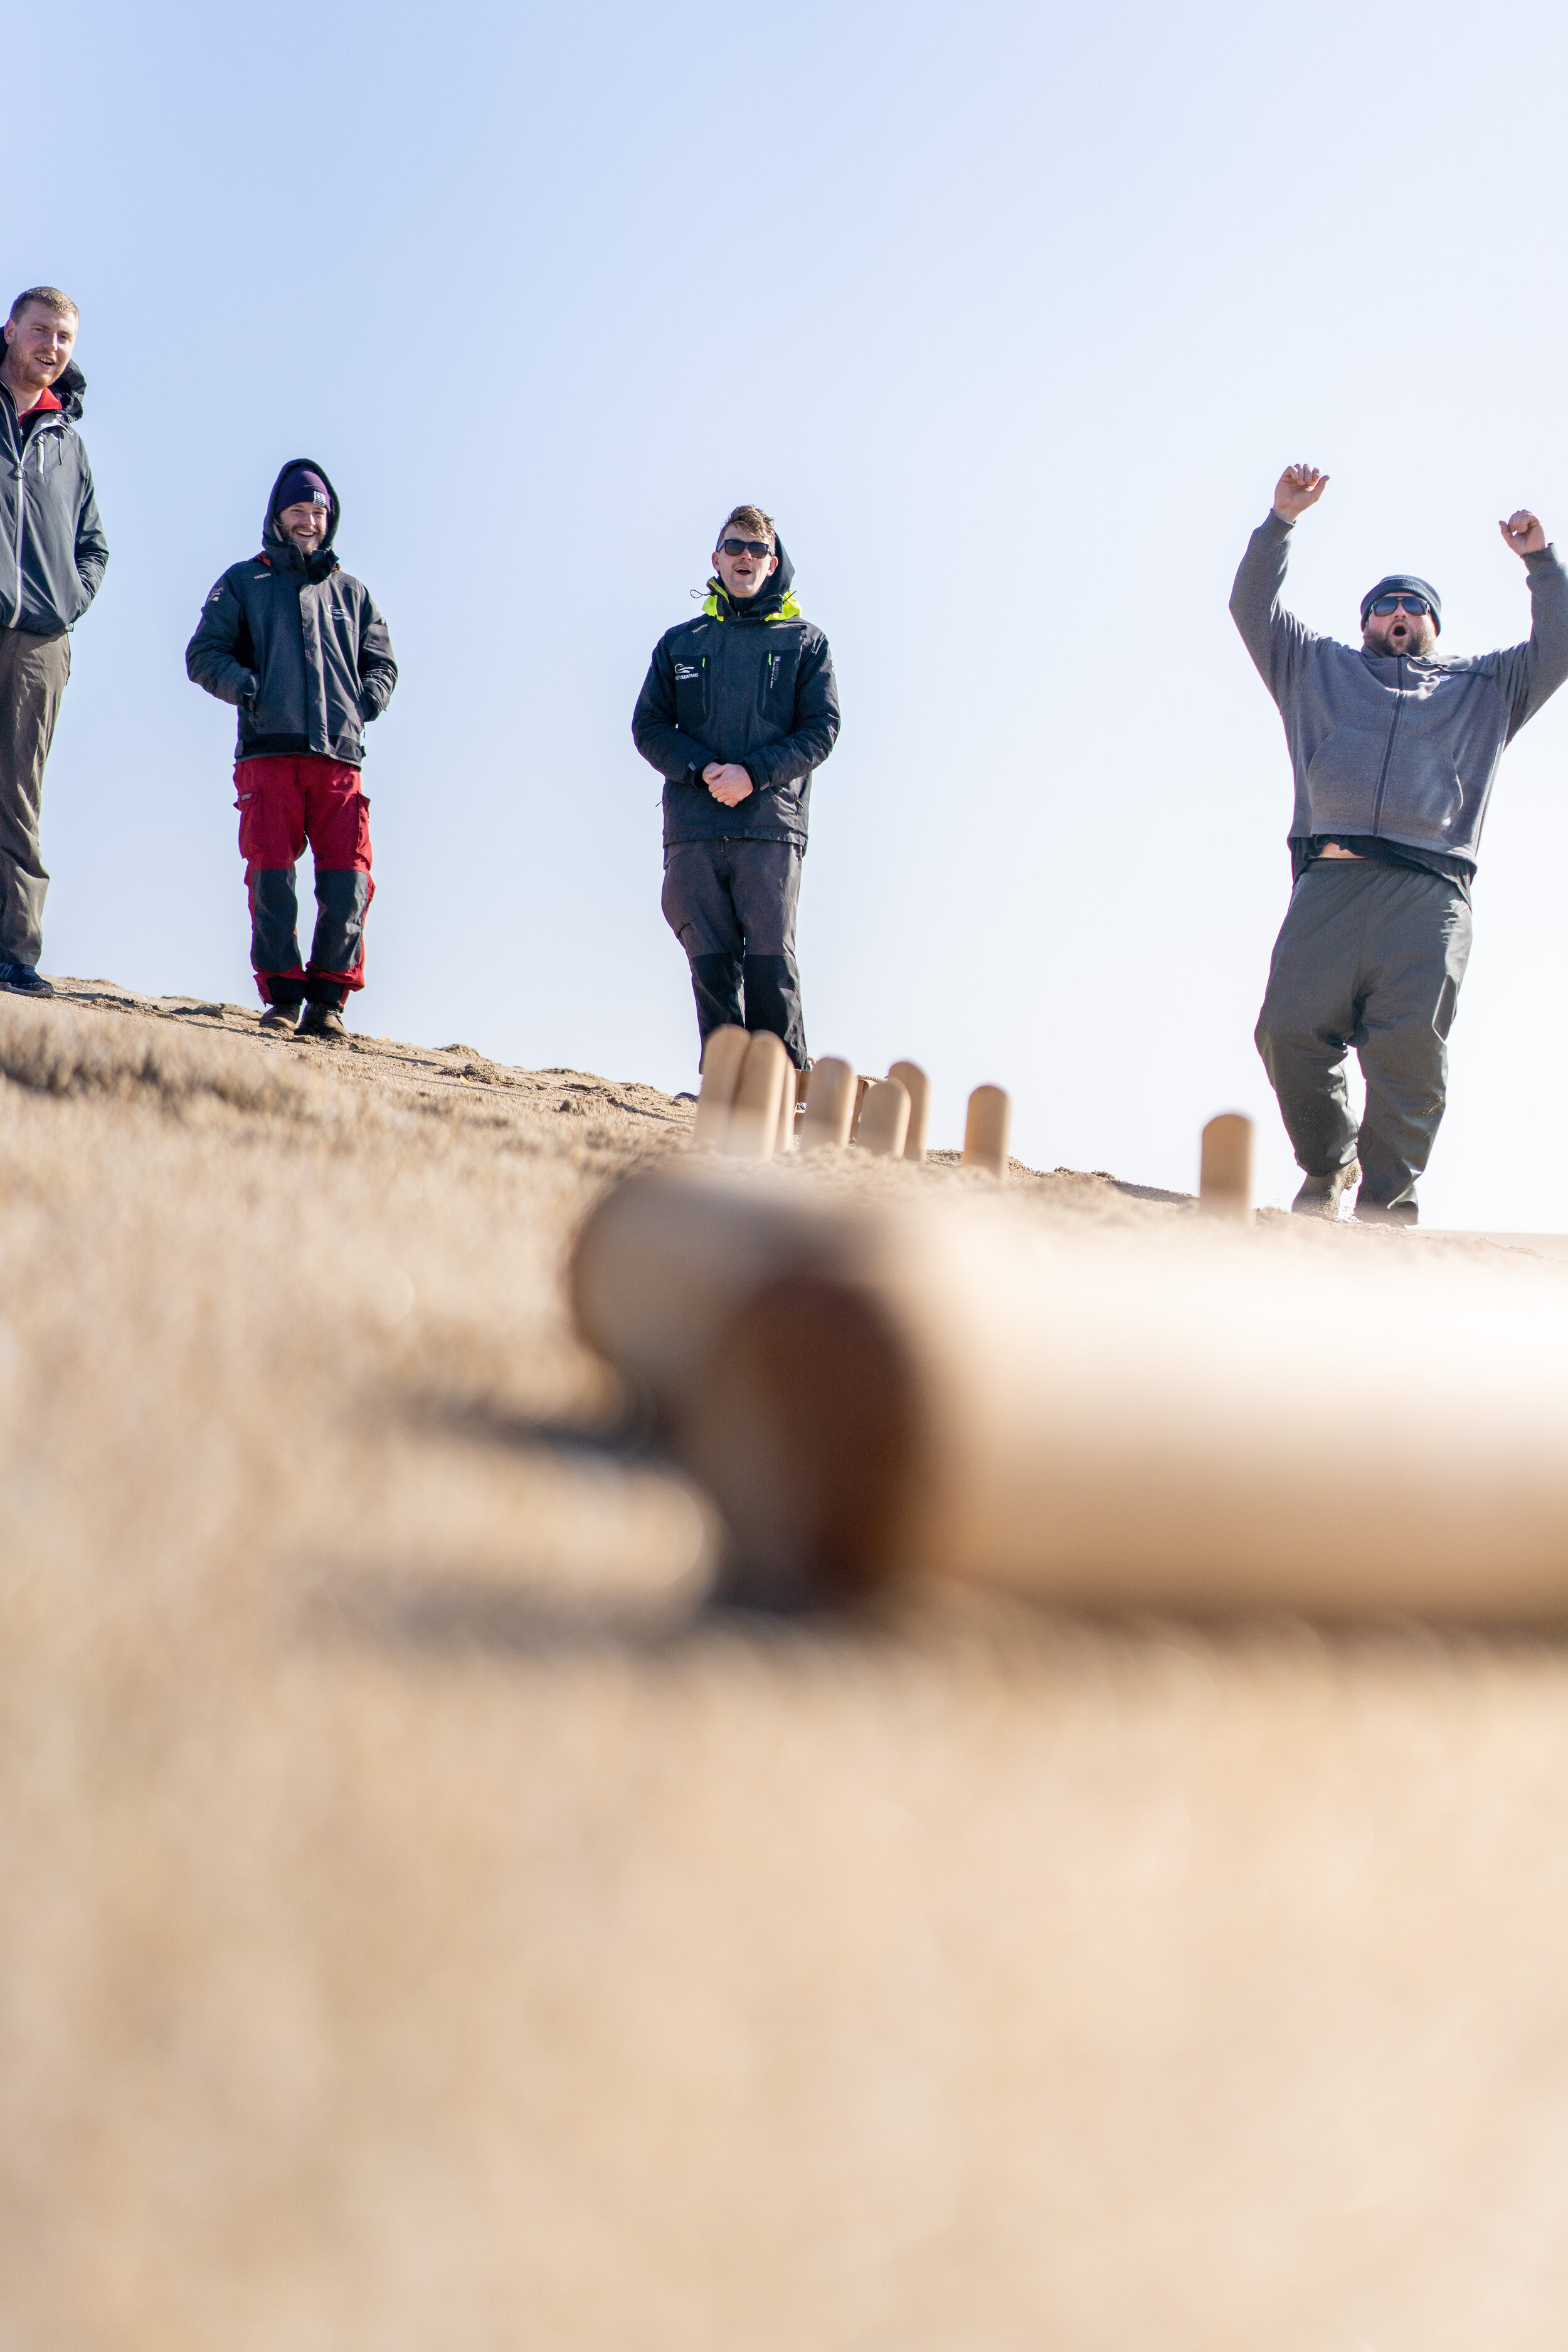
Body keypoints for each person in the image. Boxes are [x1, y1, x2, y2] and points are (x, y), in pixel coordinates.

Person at [1230, 464, 1568, 1223]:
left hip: (1429, 895)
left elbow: (1561, 641)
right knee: (1287, 1032)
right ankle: (1328, 1166)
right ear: (1365, 624)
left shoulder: (1486, 688)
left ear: (1434, 625)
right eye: (1385, 605)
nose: (1399, 613)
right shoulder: (1315, 669)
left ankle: (1390, 1208)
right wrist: (1279, 522)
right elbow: (1251, 607)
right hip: (1333, 880)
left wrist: (1540, 564)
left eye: (1415, 606)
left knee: (1409, 1054)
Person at [186, 460, 396, 1038]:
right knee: (272, 879)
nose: (309, 521)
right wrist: (250, 689)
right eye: (299, 510)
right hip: (267, 756)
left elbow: (382, 664)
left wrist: (363, 704)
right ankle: (282, 998)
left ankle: (328, 1002)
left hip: (339, 759)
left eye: (319, 512)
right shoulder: (242, 581)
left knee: (347, 881)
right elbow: (203, 654)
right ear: (278, 517)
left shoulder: (353, 592)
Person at [632, 504, 840, 1070]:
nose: (744, 557)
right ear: (716, 558)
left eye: (756, 549)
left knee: (771, 961)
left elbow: (822, 730)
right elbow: (648, 727)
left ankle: (785, 1094)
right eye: (734, 546)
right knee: (711, 962)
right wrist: (703, 770)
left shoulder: (806, 643)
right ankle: (724, 1090)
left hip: (770, 826)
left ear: (773, 563)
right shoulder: (680, 644)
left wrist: (753, 773)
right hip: (695, 828)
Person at [0, 285, 110, 997]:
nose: (52, 346)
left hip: (39, 643)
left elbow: (94, 546)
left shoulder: (68, 442)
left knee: (16, 795)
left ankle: (15, 952)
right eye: (41, 330)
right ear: (9, 330)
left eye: (64, 337)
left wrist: (65, 602)